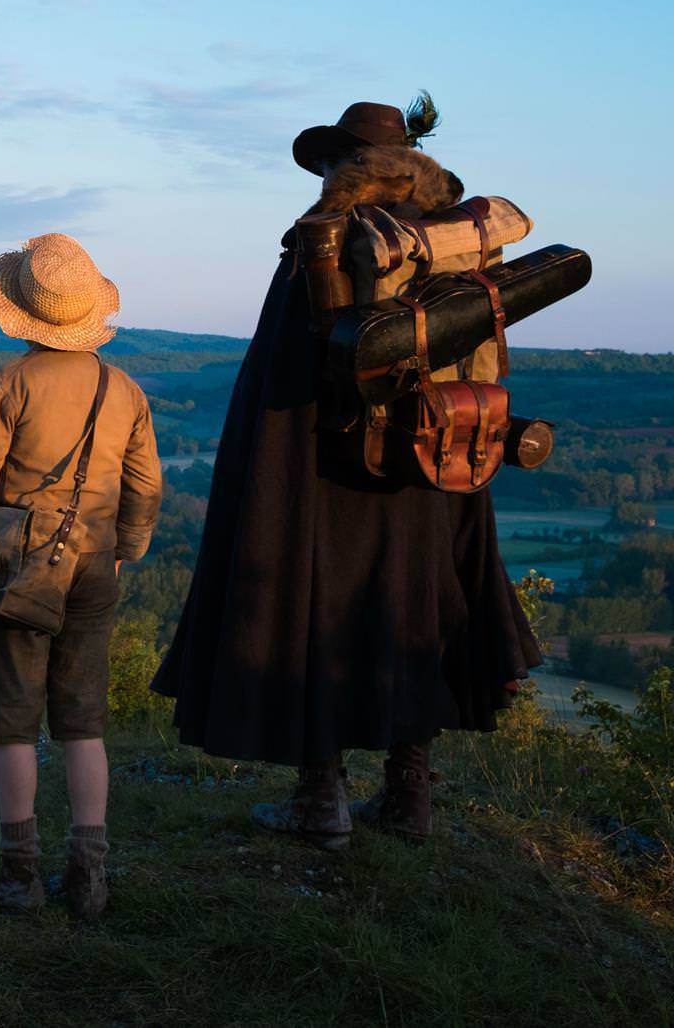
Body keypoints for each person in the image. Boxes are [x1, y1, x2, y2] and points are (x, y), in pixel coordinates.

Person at [149, 98, 542, 849]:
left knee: (317, 612)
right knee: (419, 609)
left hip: (331, 471)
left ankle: (320, 800)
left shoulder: (327, 241)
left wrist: (265, 478)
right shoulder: (457, 247)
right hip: (434, 465)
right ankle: (408, 797)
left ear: (345, 164)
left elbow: (280, 379)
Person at [0, 233, 162, 921]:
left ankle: (20, 875)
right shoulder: (124, 389)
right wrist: (126, 547)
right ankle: (89, 875)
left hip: (22, 566)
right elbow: (146, 488)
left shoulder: (11, 383)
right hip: (97, 561)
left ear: (26, 312)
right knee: (83, 721)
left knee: (14, 721)